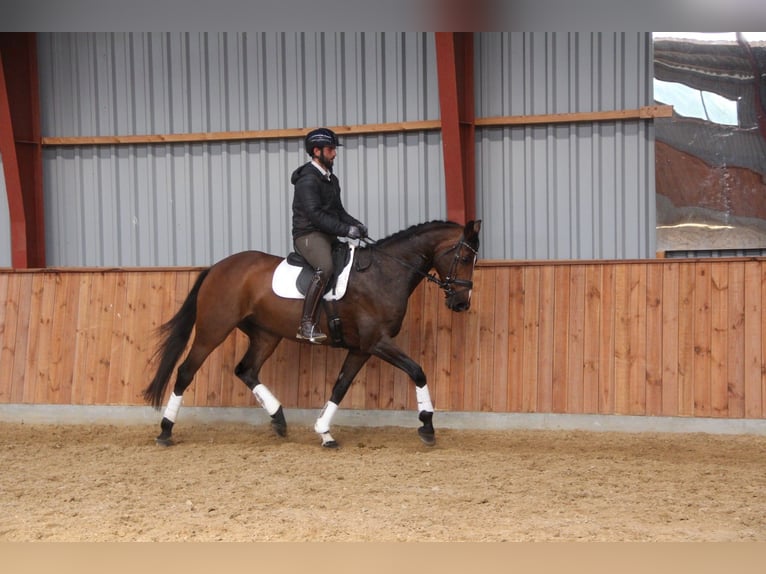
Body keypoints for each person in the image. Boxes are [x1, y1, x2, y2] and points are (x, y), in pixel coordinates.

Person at [291, 127, 367, 343]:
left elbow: (338, 211)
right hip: (309, 235)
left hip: (327, 234)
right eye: (330, 149)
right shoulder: (307, 181)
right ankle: (306, 324)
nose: (334, 153)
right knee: (325, 267)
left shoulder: (331, 179)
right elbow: (315, 216)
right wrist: (345, 230)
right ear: (317, 151)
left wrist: (356, 225)